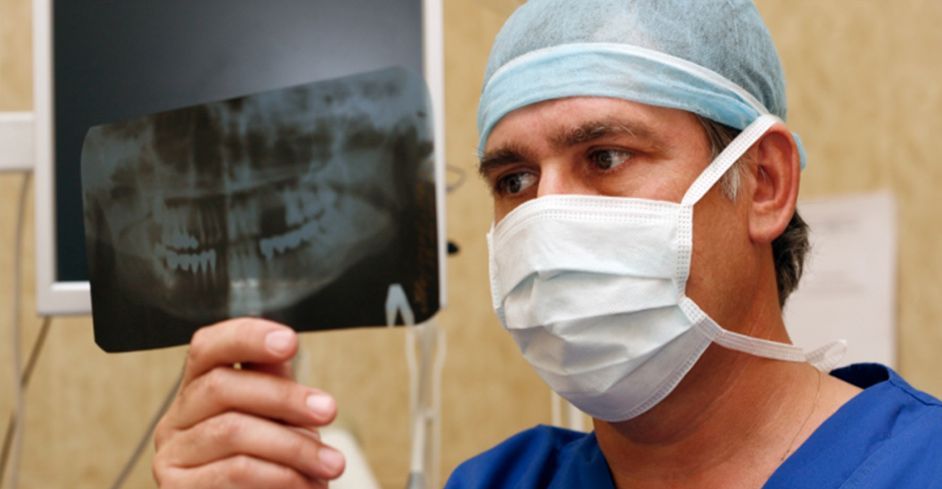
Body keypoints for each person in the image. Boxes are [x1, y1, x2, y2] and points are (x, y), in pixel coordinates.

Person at [152, 0, 942, 488]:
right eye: (514, 179)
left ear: (764, 182)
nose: (546, 215)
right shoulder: (497, 481)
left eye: (605, 156)